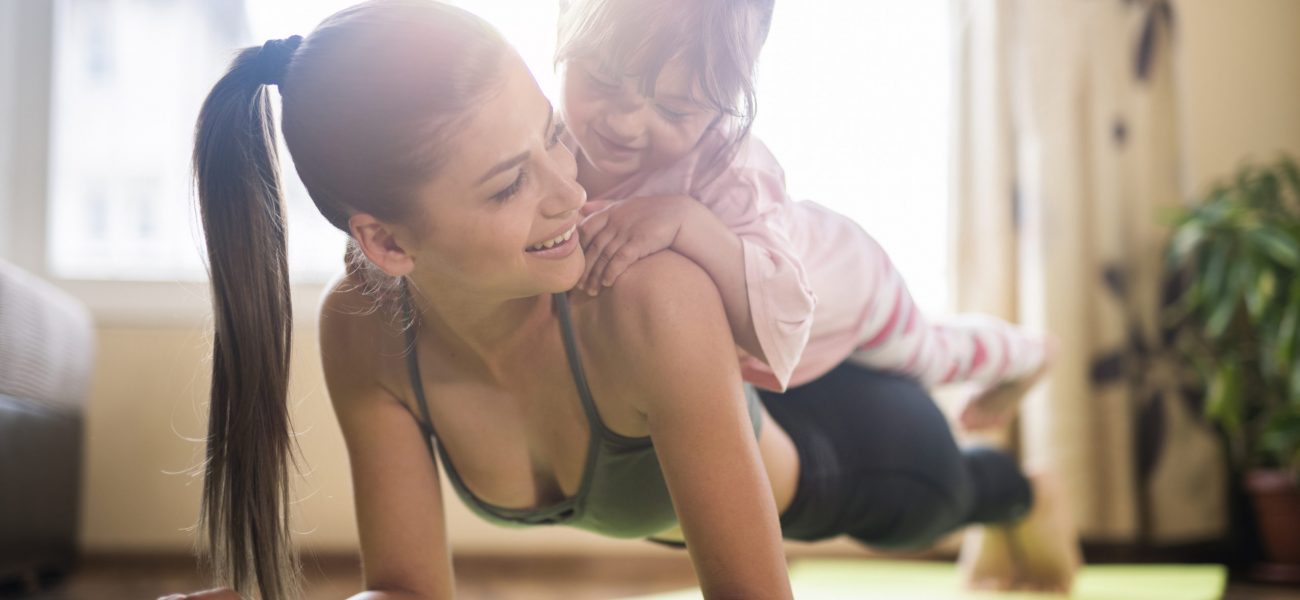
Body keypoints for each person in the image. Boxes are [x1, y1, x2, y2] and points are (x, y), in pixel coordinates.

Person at [164, 1, 1079, 598]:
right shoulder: (360, 333)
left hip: (848, 444)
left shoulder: (653, 293)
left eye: (554, 139)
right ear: (386, 242)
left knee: (959, 490)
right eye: (506, 185)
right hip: (718, 405)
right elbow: (407, 590)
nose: (573, 190)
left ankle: (1022, 491)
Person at [558, 0, 1053, 432]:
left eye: (673, 110)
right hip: (809, 259)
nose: (623, 122)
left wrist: (685, 221)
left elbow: (787, 318)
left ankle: (1029, 354)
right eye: (600, 80)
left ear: (725, 106)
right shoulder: (549, 143)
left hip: (854, 288)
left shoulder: (729, 173)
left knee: (931, 355)